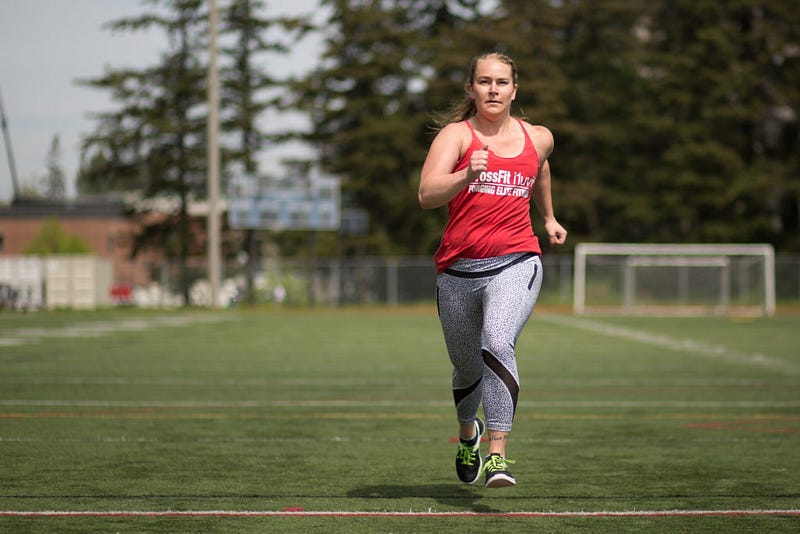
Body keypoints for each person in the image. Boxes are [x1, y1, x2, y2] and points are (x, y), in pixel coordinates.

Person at [418, 52, 567, 488]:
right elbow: (427, 193)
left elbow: (539, 168)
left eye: (501, 82)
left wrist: (549, 217)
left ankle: (498, 455)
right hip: (458, 269)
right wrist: (465, 174)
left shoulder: (538, 137)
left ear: (514, 89)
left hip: (517, 259)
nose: (493, 89)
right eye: (484, 82)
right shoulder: (456, 136)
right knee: (467, 369)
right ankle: (470, 436)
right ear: (471, 89)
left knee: (497, 341)